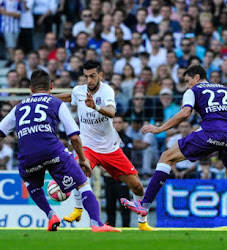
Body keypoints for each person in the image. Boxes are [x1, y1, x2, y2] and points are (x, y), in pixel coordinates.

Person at [0, 69, 121, 233]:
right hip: (52, 151)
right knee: (82, 184)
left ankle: (51, 215)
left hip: (27, 156)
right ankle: (96, 223)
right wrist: (82, 159)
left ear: (30, 89)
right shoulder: (55, 103)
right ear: (51, 86)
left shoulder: (19, 107)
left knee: (33, 185)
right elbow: (74, 136)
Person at [55, 60, 155, 231]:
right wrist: (46, 98)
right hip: (87, 146)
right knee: (80, 172)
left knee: (137, 186)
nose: (89, 80)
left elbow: (111, 111)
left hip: (110, 148)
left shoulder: (107, 90)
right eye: (86, 76)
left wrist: (95, 106)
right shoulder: (79, 91)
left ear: (100, 75)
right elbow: (68, 96)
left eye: (92, 76)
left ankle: (142, 223)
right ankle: (78, 209)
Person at [121, 64, 227, 216]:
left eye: (187, 80)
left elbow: (185, 113)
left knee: (166, 157)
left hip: (212, 131)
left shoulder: (193, 90)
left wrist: (160, 129)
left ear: (197, 78)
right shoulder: (224, 89)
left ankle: (144, 205)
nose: (186, 85)